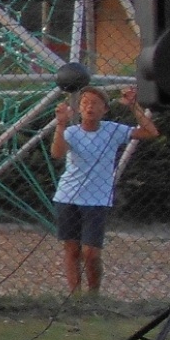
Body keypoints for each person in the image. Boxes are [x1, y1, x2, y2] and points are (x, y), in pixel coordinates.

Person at [50, 85, 158, 293]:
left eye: (95, 103)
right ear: (79, 108)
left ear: (104, 109)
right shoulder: (71, 132)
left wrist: (134, 106)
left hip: (97, 199)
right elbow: (57, 153)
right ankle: (75, 296)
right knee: (71, 249)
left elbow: (150, 132)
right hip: (68, 196)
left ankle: (94, 295)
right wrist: (61, 125)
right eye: (85, 103)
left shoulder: (113, 130)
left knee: (91, 253)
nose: (89, 107)